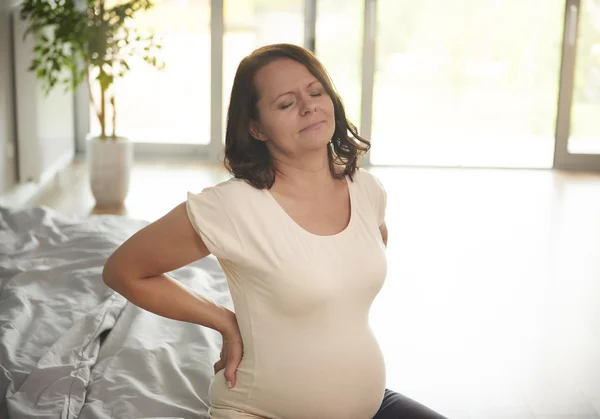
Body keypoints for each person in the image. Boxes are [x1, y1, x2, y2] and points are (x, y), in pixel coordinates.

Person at [103, 43, 447, 419]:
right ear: (256, 128)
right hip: (260, 410)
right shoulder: (232, 206)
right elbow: (124, 270)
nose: (309, 106)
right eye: (286, 103)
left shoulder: (367, 190)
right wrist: (224, 321)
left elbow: (354, 273)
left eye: (316, 92)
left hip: (372, 404)